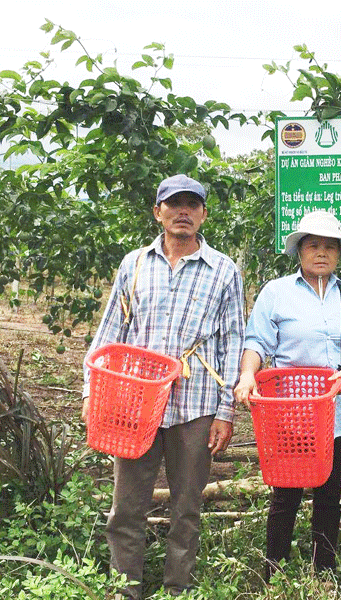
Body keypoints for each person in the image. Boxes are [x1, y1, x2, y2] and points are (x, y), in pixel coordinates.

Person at [82, 174, 244, 599]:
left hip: (196, 404)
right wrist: (90, 391)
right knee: (126, 507)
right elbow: (110, 333)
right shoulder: (134, 264)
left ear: (204, 214)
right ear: (158, 212)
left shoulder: (223, 270)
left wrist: (225, 411)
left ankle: (178, 589)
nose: (183, 212)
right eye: (174, 204)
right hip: (135, 404)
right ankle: (125, 590)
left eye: (192, 205)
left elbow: (232, 343)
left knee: (186, 508)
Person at [233, 210, 341, 582]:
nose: (321, 253)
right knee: (285, 497)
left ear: (339, 254)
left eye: (329, 246)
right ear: (299, 251)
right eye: (313, 245)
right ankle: (275, 573)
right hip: (289, 416)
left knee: (329, 497)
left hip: (335, 414)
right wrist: (248, 374)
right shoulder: (277, 292)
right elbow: (256, 342)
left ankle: (324, 573)